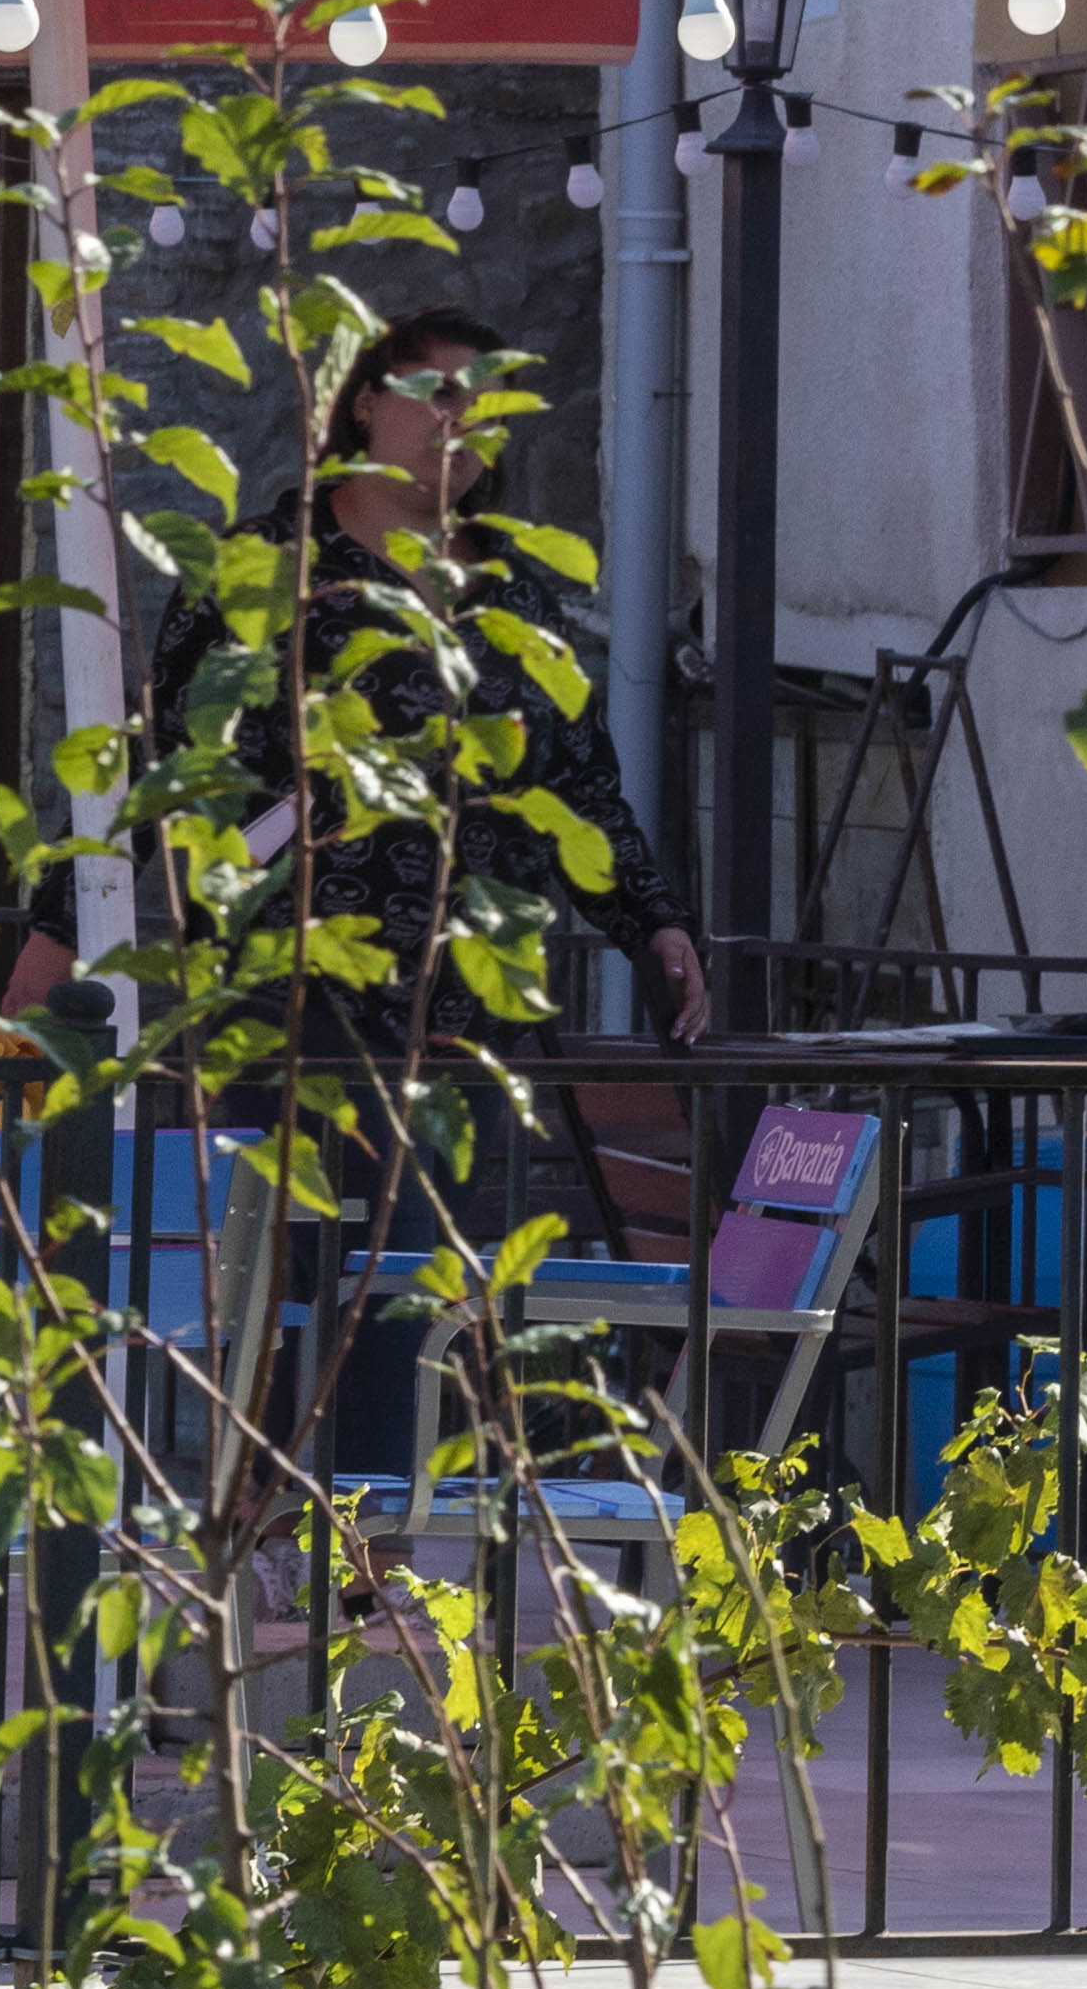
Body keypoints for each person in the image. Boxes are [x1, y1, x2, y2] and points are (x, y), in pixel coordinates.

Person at [91, 305, 708, 1490]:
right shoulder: (261, 576)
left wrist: (654, 921)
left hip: (466, 1011)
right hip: (298, 1000)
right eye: (429, 388)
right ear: (361, 403)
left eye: (479, 401)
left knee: (414, 1300)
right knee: (291, 1285)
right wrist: (292, 819)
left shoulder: (513, 593)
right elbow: (176, 780)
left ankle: (357, 1549)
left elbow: (579, 783)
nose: (452, 420)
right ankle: (275, 1531)